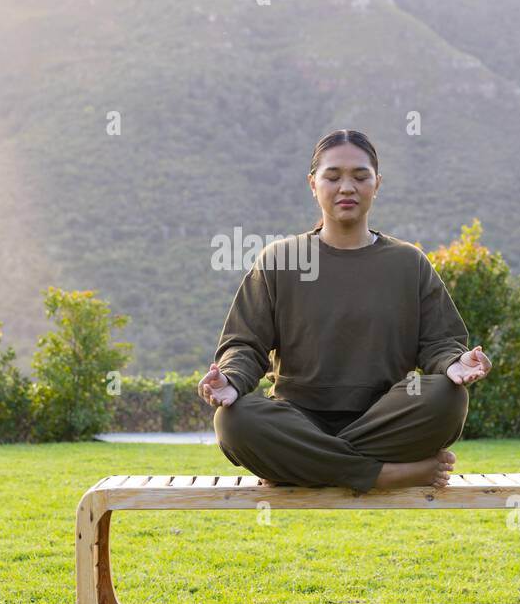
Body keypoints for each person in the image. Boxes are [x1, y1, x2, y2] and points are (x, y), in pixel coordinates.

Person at [197, 128, 491, 493]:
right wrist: (230, 379)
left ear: (377, 183)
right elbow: (244, 344)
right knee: (234, 421)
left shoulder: (407, 262)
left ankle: (300, 466)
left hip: (386, 419)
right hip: (298, 420)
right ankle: (385, 475)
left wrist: (454, 363)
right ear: (313, 184)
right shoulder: (281, 259)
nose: (347, 188)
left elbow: (440, 341)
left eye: (360, 176)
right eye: (333, 176)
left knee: (448, 397)